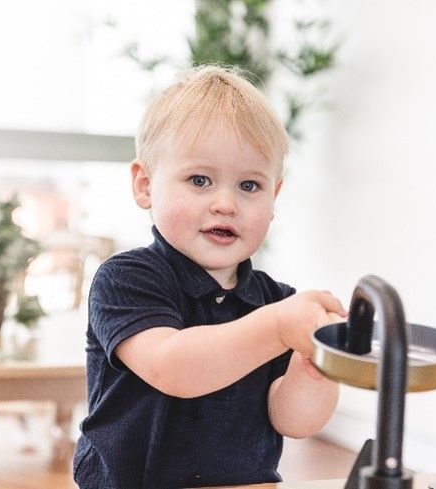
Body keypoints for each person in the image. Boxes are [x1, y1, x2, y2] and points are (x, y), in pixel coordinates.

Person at [73, 65, 347, 488]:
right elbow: (173, 367)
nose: (225, 203)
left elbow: (293, 419)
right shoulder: (126, 280)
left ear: (274, 197)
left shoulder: (276, 301)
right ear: (145, 185)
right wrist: (278, 328)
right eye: (200, 180)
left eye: (249, 186)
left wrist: (314, 364)